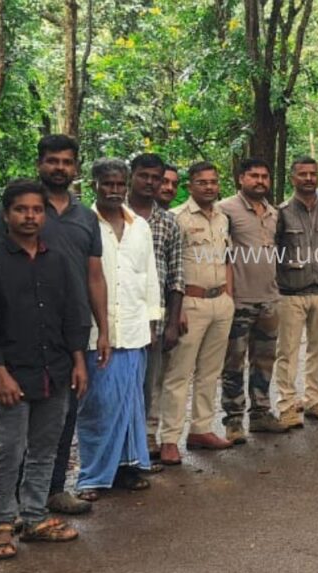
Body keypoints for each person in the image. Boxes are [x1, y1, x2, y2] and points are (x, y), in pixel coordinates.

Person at [0, 134, 109, 516]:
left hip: (69, 332)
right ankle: (11, 509)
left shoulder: (86, 216)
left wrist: (102, 328)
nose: (60, 167)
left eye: (67, 162)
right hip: (21, 336)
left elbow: (94, 275)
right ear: (40, 162)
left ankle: (51, 492)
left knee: (61, 418)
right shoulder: (19, 209)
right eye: (52, 160)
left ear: (76, 168)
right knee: (18, 433)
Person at [0, 180, 87, 560]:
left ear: (45, 215)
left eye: (37, 210)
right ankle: (1, 524)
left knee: (45, 448)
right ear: (7, 214)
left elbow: (73, 314)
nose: (30, 216)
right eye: (22, 209)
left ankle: (35, 517)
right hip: (13, 374)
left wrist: (78, 361)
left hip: (55, 369)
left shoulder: (57, 261)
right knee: (11, 449)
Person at [74, 159, 159, 500]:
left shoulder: (140, 225)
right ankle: (92, 476)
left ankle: (127, 468)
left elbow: (149, 275)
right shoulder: (82, 223)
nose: (113, 190)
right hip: (98, 333)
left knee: (131, 403)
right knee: (98, 405)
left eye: (118, 184)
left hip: (135, 329)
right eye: (106, 183)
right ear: (94, 185)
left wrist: (153, 321)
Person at [158, 162, 236, 465]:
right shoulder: (177, 218)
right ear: (189, 186)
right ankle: (169, 439)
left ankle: (201, 429)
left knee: (210, 372)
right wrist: (174, 309)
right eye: (202, 182)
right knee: (178, 374)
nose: (209, 187)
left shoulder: (222, 218)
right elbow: (168, 267)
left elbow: (227, 258)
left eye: (214, 182)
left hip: (220, 302)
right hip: (189, 304)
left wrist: (229, 296)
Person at [217, 158, 289, 441]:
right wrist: (227, 295)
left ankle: (260, 414)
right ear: (240, 179)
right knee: (233, 362)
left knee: (265, 360)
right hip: (239, 300)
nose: (260, 181)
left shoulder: (273, 213)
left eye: (264, 176)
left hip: (269, 299)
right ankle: (233, 421)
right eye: (253, 176)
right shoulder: (226, 210)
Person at [274, 156, 318, 427]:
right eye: (303, 174)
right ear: (293, 178)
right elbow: (271, 253)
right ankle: (287, 405)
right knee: (287, 351)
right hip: (291, 292)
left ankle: (314, 400)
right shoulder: (281, 213)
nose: (309, 179)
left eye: (313, 174)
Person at [127, 153, 184, 461]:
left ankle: (139, 454)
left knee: (147, 390)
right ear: (131, 175)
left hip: (154, 323)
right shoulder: (109, 215)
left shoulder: (168, 222)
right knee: (115, 392)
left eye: (156, 178)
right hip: (117, 323)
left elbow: (176, 277)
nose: (150, 182)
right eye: (144, 176)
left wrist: (173, 323)